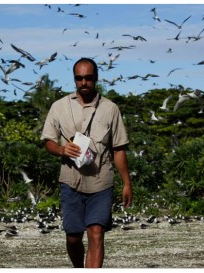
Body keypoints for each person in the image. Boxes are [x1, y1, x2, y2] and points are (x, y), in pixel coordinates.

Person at [40, 57, 132, 268]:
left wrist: (126, 183)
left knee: (96, 233)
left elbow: (118, 148)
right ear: (74, 79)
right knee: (73, 236)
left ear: (96, 78)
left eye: (88, 78)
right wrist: (63, 150)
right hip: (70, 181)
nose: (84, 83)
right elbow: (48, 142)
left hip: (101, 181)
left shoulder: (110, 109)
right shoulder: (58, 106)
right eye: (79, 78)